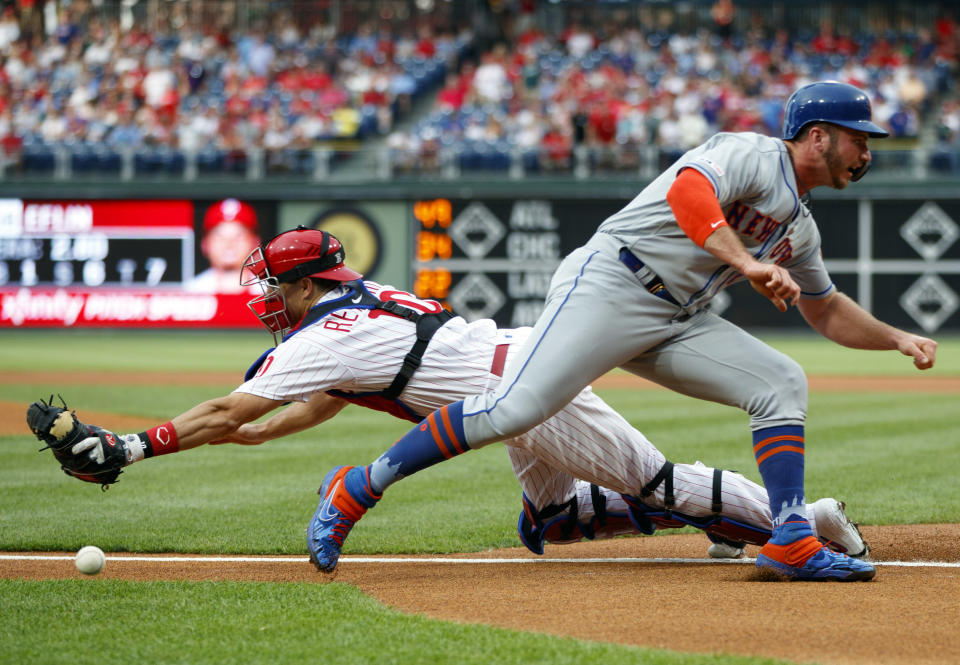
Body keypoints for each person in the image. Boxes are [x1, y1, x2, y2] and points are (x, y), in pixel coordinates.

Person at [309, 81, 937, 582]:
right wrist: (746, 262)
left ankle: (793, 540)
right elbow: (691, 193)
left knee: (781, 382)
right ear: (819, 136)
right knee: (517, 408)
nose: (868, 152)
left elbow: (825, 310)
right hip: (610, 282)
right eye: (860, 138)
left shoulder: (800, 227)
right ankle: (358, 487)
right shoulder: (753, 154)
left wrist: (896, 338)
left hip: (675, 317)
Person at [64, 227, 868, 566]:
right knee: (546, 522)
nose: (264, 300)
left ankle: (807, 516)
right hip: (512, 371)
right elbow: (328, 399)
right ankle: (726, 519)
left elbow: (225, 406)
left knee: (655, 483)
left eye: (274, 287)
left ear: (308, 285)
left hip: (530, 390)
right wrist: (260, 437)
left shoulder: (327, 333)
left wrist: (130, 447)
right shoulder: (359, 306)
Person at [185, 198, 261, 293]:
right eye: (220, 236)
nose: (229, 244)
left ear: (255, 243)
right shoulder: (190, 293)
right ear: (205, 244)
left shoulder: (272, 295)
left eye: (239, 236)